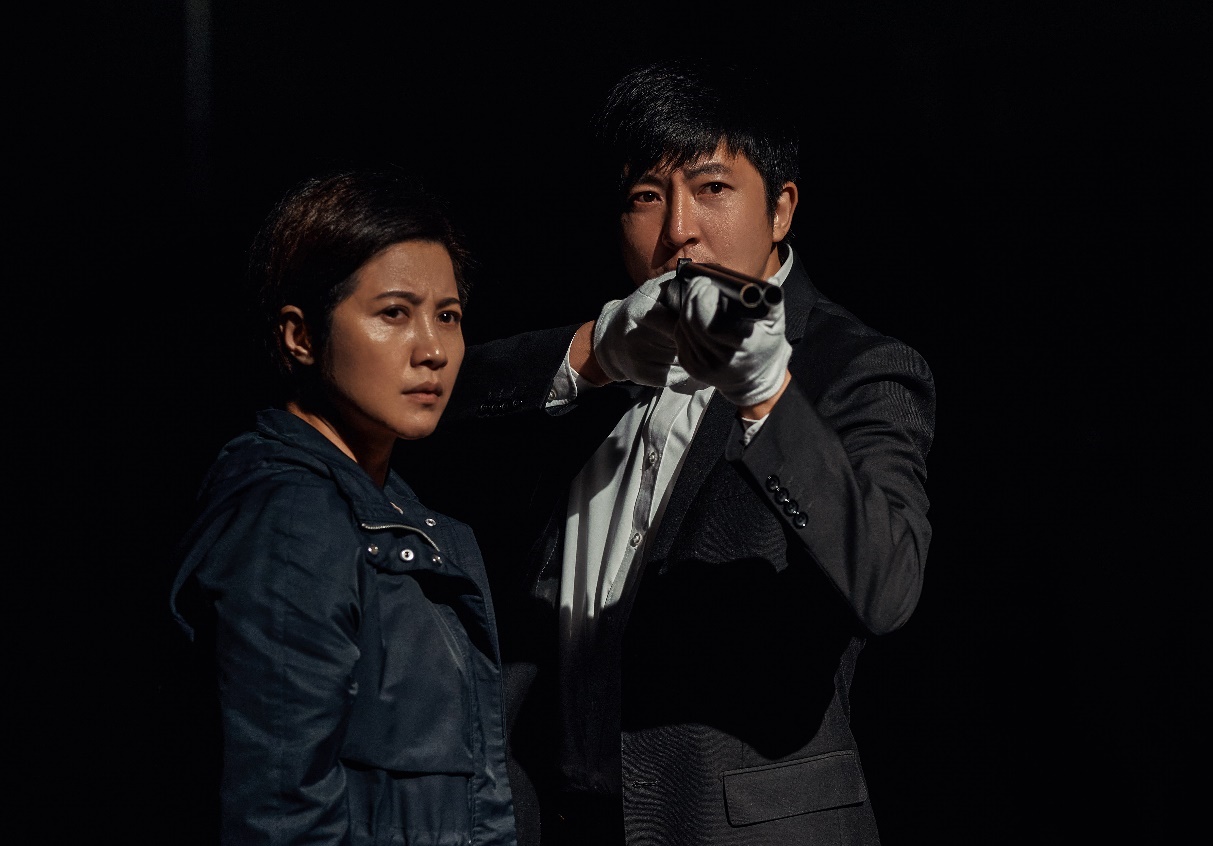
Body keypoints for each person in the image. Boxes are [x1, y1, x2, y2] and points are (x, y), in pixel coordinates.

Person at [395, 58, 935, 846]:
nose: (678, 227)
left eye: (711, 187)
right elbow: (421, 402)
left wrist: (766, 398)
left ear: (780, 208)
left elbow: (888, 585)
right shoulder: (614, 353)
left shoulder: (853, 365)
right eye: (646, 196)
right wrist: (592, 353)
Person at [168, 167, 519, 846]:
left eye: (447, 316)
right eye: (394, 313)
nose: (432, 350)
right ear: (300, 336)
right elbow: (280, 815)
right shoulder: (290, 517)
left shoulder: (395, 515)